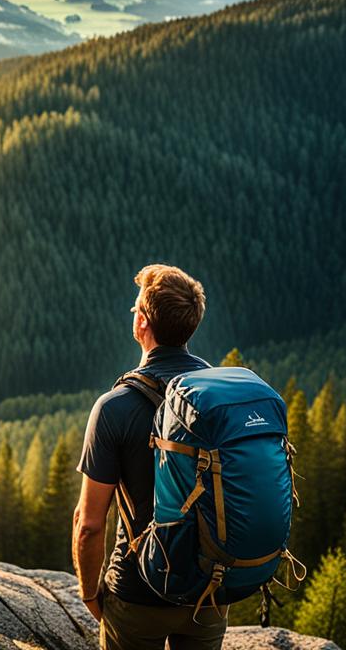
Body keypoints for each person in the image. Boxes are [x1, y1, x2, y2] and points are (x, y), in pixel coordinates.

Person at [72, 263, 226, 650]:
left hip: (137, 591)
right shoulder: (220, 399)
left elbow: (89, 524)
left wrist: (91, 594)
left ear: (142, 323)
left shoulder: (115, 407)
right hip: (208, 592)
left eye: (135, 308)